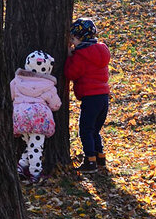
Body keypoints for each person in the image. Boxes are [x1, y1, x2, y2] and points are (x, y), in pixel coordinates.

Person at [64, 17, 110, 174]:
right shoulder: (101, 51)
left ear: (80, 38)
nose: (72, 42)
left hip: (90, 97)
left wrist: (69, 57)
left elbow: (70, 73)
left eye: (73, 39)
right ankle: (100, 156)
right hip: (103, 96)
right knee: (95, 129)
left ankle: (90, 160)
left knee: (85, 130)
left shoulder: (81, 56)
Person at [10, 50, 62, 182]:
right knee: (36, 146)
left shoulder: (16, 81)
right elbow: (56, 105)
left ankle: (21, 166)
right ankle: (35, 173)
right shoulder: (48, 86)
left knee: (30, 144)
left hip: (20, 116)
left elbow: (10, 96)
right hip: (39, 118)